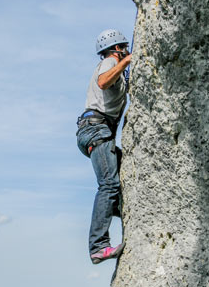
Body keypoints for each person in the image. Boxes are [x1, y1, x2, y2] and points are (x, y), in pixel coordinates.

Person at [76, 29, 132, 264]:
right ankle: (98, 246)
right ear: (117, 48)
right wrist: (126, 62)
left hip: (96, 130)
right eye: (125, 48)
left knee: (119, 182)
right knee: (109, 184)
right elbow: (103, 81)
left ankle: (128, 214)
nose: (128, 50)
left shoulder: (116, 69)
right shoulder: (111, 61)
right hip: (96, 129)